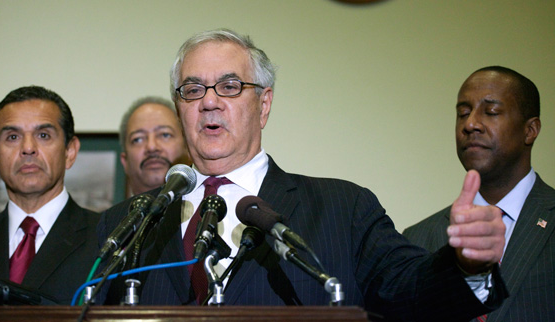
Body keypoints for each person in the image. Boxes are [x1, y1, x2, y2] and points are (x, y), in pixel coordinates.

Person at [96, 29, 507, 321]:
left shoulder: (344, 209)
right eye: (192, 89)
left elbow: (409, 292)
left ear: (264, 104)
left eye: (230, 86)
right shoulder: (126, 224)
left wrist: (468, 267)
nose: (209, 102)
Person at [403, 66, 553, 321]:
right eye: (463, 113)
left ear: (530, 130)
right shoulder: (417, 238)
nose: (470, 124)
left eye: (491, 111)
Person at [0, 86, 100, 304]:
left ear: (70, 151)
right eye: (13, 137)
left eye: (43, 135)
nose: (28, 148)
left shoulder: (107, 239)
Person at [119, 96, 190, 195]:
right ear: (124, 161)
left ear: (188, 149)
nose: (151, 147)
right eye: (138, 139)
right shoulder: (112, 211)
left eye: (165, 135)